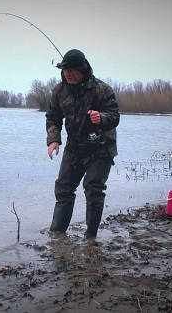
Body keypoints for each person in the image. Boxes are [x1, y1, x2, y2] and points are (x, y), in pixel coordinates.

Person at [46, 49, 119, 239]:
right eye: (64, 70)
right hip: (74, 146)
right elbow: (53, 118)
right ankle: (57, 234)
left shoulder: (102, 90)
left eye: (72, 70)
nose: (68, 74)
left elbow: (114, 117)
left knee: (93, 188)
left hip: (100, 147)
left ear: (83, 69)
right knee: (63, 188)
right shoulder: (59, 91)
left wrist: (100, 118)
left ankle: (90, 237)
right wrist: (54, 140)